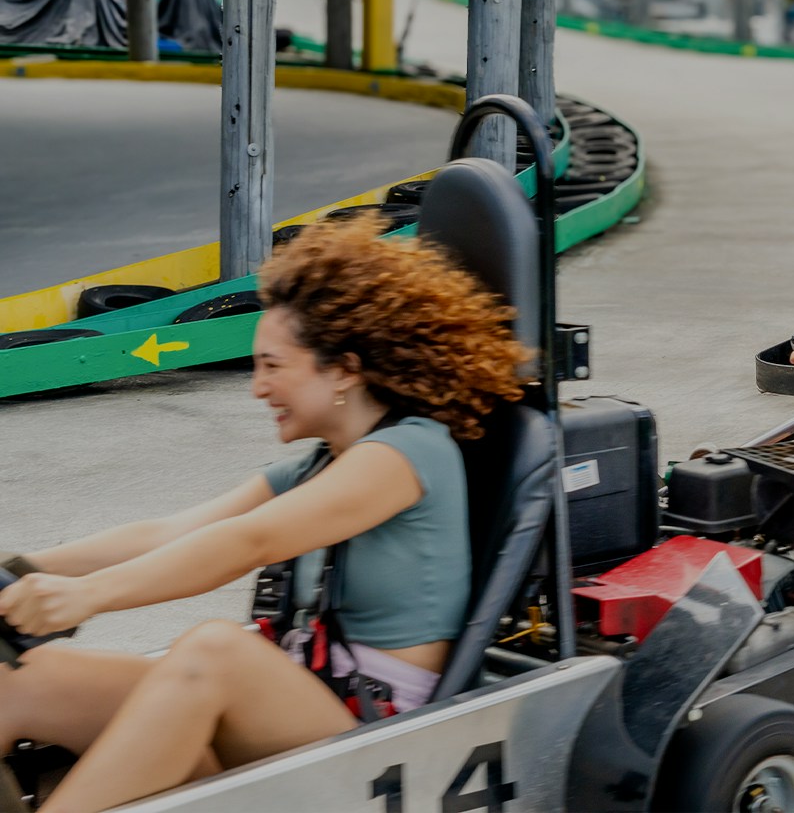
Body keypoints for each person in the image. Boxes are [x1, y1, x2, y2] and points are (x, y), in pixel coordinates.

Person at [0, 216, 527, 813]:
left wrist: (86, 596)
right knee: (28, 676)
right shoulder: (318, 468)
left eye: (272, 366)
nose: (256, 388)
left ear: (345, 371)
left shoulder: (408, 455)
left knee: (217, 653)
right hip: (294, 709)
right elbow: (169, 532)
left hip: (374, 742)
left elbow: (247, 543)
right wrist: (22, 569)